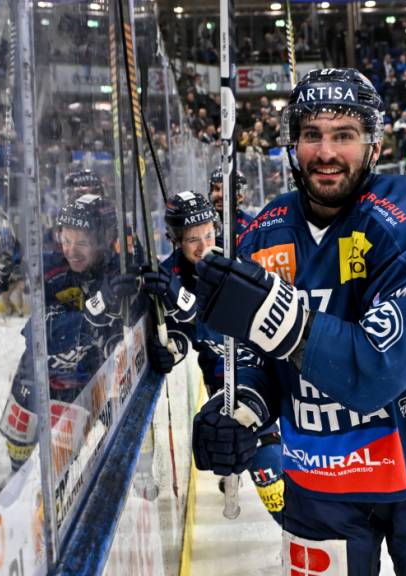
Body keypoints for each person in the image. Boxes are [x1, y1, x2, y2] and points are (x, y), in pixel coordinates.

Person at [190, 68, 406, 574]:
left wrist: (273, 312)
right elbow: (252, 356)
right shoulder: (265, 234)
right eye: (312, 134)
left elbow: (377, 368)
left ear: (374, 145)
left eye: (344, 135)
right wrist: (239, 407)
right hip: (319, 482)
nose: (326, 152)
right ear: (292, 144)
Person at [141, 189, 285, 525]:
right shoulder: (168, 277)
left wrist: (184, 303)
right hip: (229, 385)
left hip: (271, 372)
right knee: (271, 478)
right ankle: (295, 536)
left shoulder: (237, 260)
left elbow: (230, 325)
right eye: (193, 239)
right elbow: (179, 337)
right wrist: (166, 349)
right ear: (175, 239)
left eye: (209, 234)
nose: (205, 246)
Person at [0, 193, 150, 472]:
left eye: (82, 242)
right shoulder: (52, 268)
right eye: (66, 240)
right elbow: (42, 336)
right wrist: (98, 304)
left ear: (104, 241)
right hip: (38, 378)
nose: (72, 250)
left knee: (64, 467)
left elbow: (133, 328)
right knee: (19, 453)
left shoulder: (116, 270)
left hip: (85, 383)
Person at [209, 168, 254, 240]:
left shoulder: (251, 227)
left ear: (240, 196)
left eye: (227, 190)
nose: (220, 195)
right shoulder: (204, 222)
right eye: (216, 189)